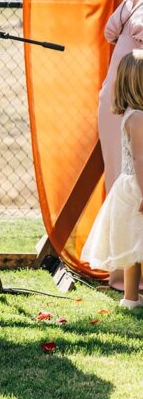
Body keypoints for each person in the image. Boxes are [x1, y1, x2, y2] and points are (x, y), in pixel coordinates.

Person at [99, 0, 143, 289]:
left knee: (137, 185)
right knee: (121, 185)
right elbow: (112, 33)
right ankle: (124, 271)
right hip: (115, 101)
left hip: (138, 103)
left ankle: (134, 277)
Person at [83, 50, 143, 308]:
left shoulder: (132, 114)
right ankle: (130, 296)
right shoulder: (138, 118)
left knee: (134, 245)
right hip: (137, 187)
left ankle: (131, 298)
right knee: (136, 244)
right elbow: (141, 159)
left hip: (130, 186)